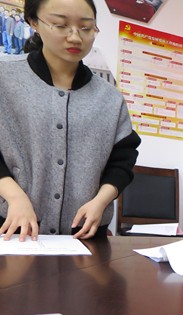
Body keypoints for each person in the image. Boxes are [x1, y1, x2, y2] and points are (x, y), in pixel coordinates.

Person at [0, 0, 140, 241]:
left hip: (85, 237)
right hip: (12, 231)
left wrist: (100, 201)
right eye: (60, 25)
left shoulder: (110, 98)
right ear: (34, 22)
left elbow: (123, 161)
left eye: (86, 28)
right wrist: (15, 196)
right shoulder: (5, 78)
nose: (75, 37)